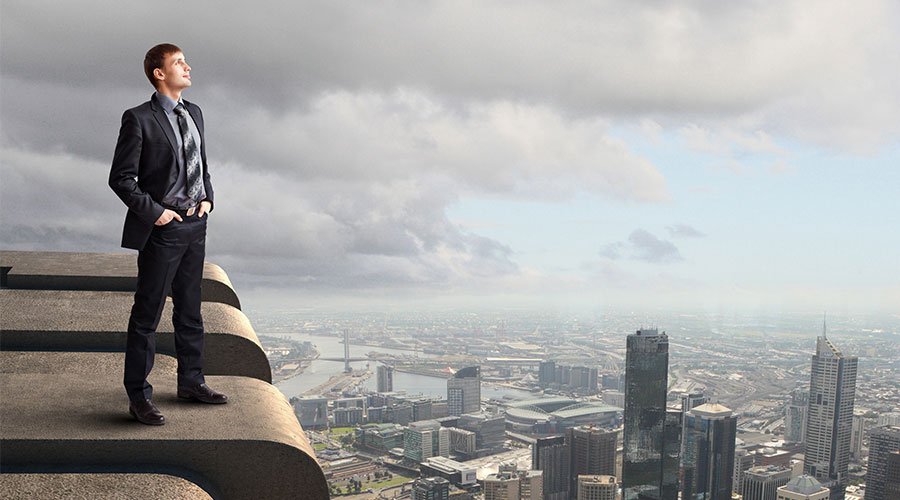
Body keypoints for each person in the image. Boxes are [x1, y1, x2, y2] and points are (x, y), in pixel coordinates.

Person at [109, 43, 227, 426]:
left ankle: (191, 382)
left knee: (191, 310)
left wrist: (208, 198)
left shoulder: (194, 113)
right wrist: (158, 215)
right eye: (179, 63)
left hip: (197, 224)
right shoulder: (139, 118)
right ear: (159, 73)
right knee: (147, 315)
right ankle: (138, 397)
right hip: (164, 229)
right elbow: (122, 179)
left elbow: (202, 164)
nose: (188, 67)